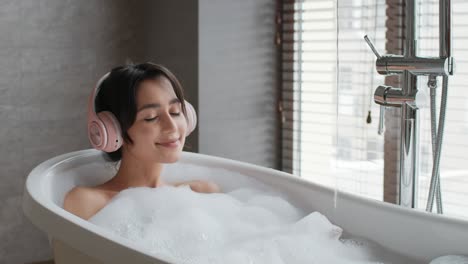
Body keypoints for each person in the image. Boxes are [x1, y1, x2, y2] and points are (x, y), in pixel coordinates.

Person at [64, 62, 220, 220]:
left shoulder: (203, 193)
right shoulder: (87, 203)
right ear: (113, 130)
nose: (172, 127)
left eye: (175, 112)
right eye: (151, 117)